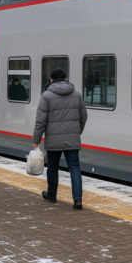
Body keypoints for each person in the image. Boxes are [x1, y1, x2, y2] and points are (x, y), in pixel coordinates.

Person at [33, 68, 88, 210]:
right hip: (72, 139)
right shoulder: (77, 95)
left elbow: (41, 120)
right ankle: (77, 200)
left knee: (52, 167)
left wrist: (36, 139)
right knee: (75, 168)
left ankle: (52, 195)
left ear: (51, 80)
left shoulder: (46, 96)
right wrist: (77, 132)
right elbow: (84, 116)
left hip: (53, 140)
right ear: (65, 79)